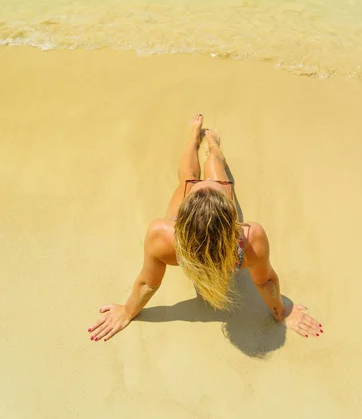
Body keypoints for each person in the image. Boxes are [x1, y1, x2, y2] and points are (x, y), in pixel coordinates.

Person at [88, 114, 323, 343]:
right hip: (219, 235)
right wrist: (281, 312)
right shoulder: (251, 240)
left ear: (182, 222)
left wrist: (129, 310)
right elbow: (265, 282)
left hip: (190, 236)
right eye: (207, 187)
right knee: (214, 165)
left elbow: (148, 283)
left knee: (187, 177)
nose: (203, 183)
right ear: (233, 224)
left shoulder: (162, 236)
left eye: (203, 188)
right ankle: (209, 145)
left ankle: (198, 142)